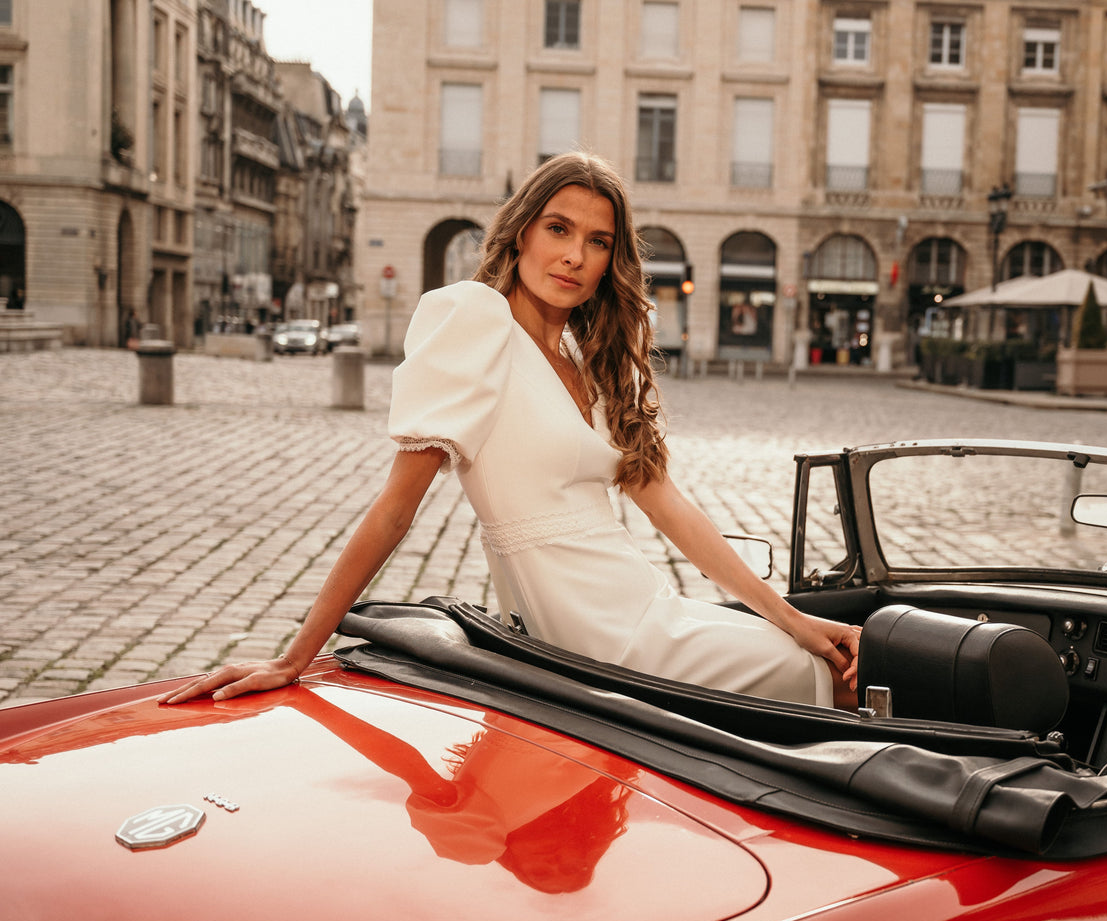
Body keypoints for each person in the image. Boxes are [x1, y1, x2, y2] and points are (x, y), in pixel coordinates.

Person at [164, 152, 860, 709]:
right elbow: (395, 509)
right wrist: (294, 655)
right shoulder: (473, 320)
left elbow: (671, 508)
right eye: (558, 229)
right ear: (522, 230)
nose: (574, 256)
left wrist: (787, 615)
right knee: (814, 672)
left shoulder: (588, 359)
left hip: (645, 605)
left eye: (597, 242)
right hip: (593, 634)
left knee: (822, 649)